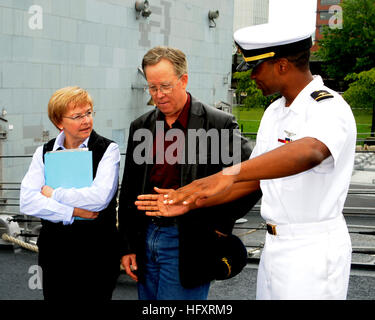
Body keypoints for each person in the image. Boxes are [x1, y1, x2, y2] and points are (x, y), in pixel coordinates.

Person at [137, 25, 357, 300]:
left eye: (257, 67)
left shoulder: (328, 106)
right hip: (276, 245)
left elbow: (310, 151)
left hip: (313, 248)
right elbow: (254, 179)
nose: (252, 76)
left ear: (282, 65)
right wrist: (191, 200)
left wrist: (227, 174)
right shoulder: (275, 113)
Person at [117, 46, 261, 300]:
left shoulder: (217, 124)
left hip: (188, 240)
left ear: (183, 80)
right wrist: (127, 246)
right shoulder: (141, 126)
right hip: (145, 236)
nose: (158, 95)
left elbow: (254, 174)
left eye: (165, 86)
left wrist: (219, 224)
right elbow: (129, 189)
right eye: (152, 88)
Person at [20, 86, 120, 300]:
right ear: (59, 122)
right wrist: (75, 211)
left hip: (97, 254)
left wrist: (54, 194)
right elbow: (28, 201)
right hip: (55, 254)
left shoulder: (108, 150)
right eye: (77, 116)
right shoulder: (44, 152)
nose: (86, 120)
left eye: (89, 113)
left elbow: (99, 199)